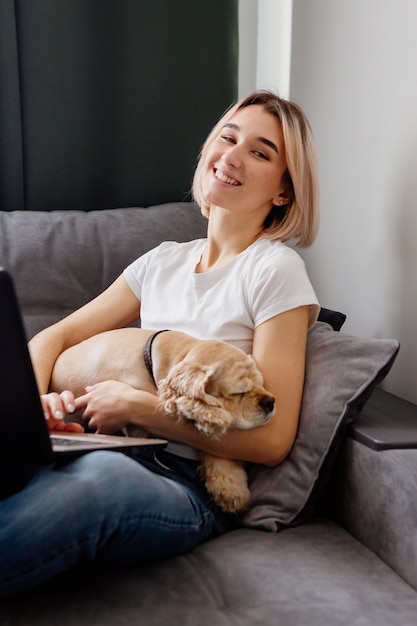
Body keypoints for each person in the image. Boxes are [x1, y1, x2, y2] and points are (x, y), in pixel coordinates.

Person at [0, 90, 320, 596]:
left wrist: (142, 408)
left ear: (284, 191)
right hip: (99, 447)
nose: (232, 155)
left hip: (186, 483)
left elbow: (273, 439)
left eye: (260, 153)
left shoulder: (274, 270)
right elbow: (54, 338)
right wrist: (40, 405)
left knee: (100, 481)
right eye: (228, 137)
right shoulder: (162, 260)